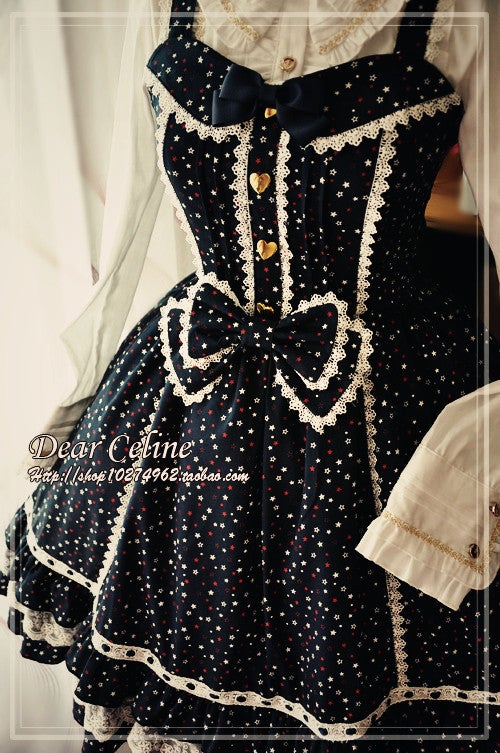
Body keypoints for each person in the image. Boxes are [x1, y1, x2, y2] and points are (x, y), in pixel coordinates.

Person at [2, 1, 499, 751]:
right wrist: (76, 405)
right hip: (187, 400)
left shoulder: (456, 15)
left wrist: (466, 470)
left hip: (384, 412)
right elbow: (128, 230)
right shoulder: (164, 8)